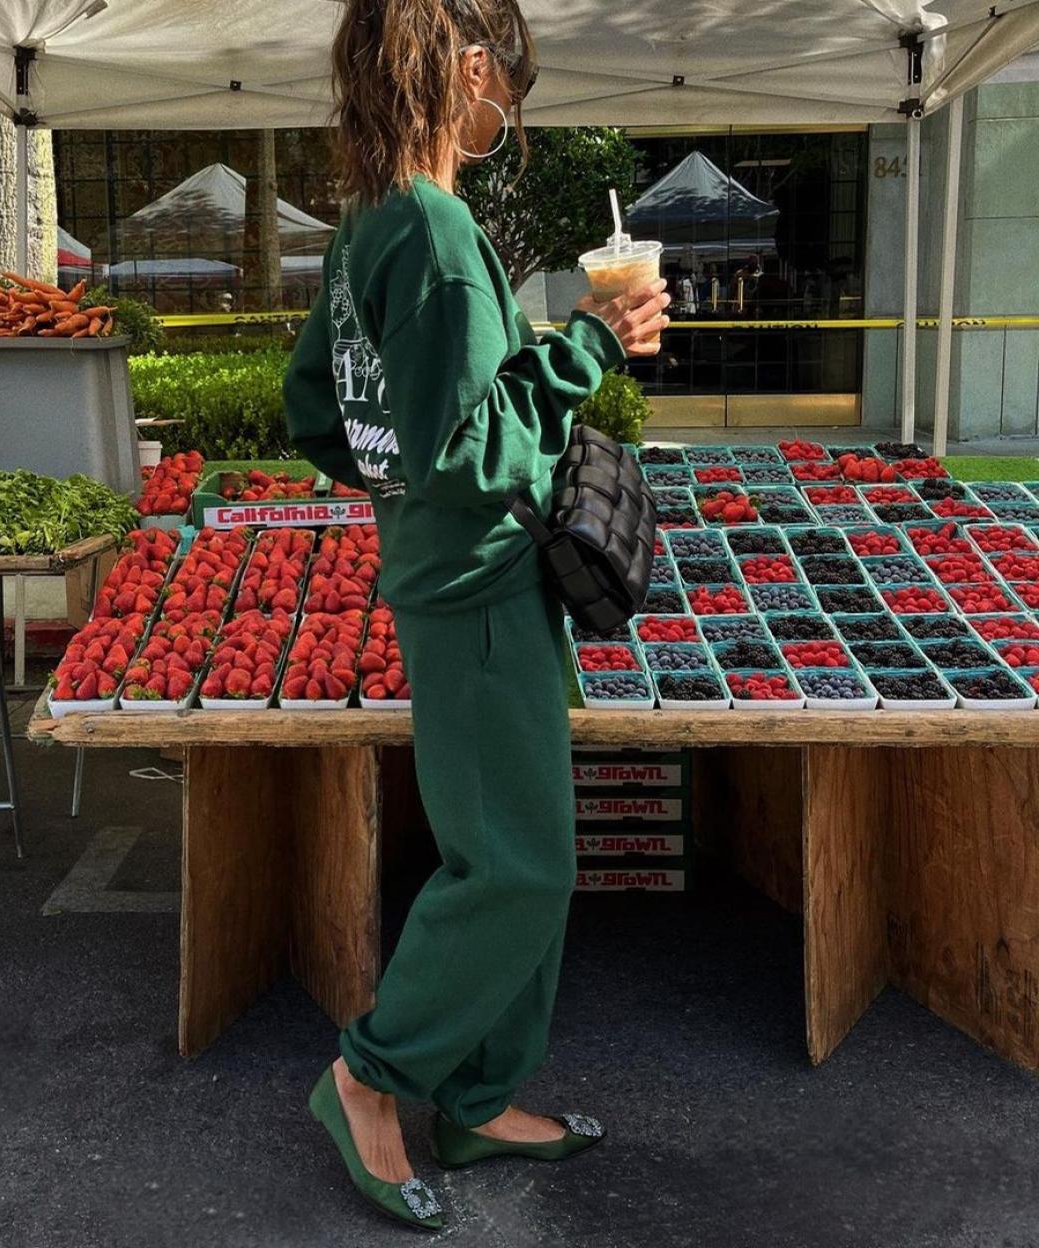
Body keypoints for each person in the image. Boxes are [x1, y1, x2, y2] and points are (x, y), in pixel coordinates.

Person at [283, 0, 669, 1230]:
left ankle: (478, 1095)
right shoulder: (439, 233)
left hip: (446, 584)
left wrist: (404, 497)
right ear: (466, 68)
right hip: (484, 592)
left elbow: (318, 416)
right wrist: (589, 347)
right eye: (514, 79)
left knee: (508, 857)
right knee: (517, 866)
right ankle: (374, 1077)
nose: (514, 104)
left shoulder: (369, 229)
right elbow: (467, 447)